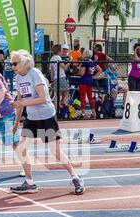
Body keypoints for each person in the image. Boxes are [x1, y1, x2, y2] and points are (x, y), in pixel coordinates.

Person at [10, 49, 85, 195]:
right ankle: (30, 182)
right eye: (11, 63)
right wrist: (16, 123)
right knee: (22, 148)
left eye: (15, 63)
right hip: (31, 118)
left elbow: (43, 98)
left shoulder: (35, 74)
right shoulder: (18, 78)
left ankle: (76, 177)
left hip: (46, 116)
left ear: (25, 62)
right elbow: (19, 101)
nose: (12, 66)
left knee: (55, 151)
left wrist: (22, 104)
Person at [79, 48, 101, 119]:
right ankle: (93, 112)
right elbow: (100, 70)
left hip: (83, 81)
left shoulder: (84, 62)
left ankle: (83, 113)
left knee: (83, 98)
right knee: (90, 97)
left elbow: (81, 73)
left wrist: (79, 68)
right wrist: (94, 77)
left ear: (85, 54)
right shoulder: (92, 62)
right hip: (90, 81)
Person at [50, 44, 70, 113]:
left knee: (58, 95)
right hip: (61, 77)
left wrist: (52, 80)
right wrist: (69, 62)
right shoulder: (58, 57)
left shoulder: (52, 58)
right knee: (67, 92)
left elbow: (52, 71)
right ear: (59, 50)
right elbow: (64, 68)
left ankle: (56, 110)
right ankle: (65, 106)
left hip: (55, 78)